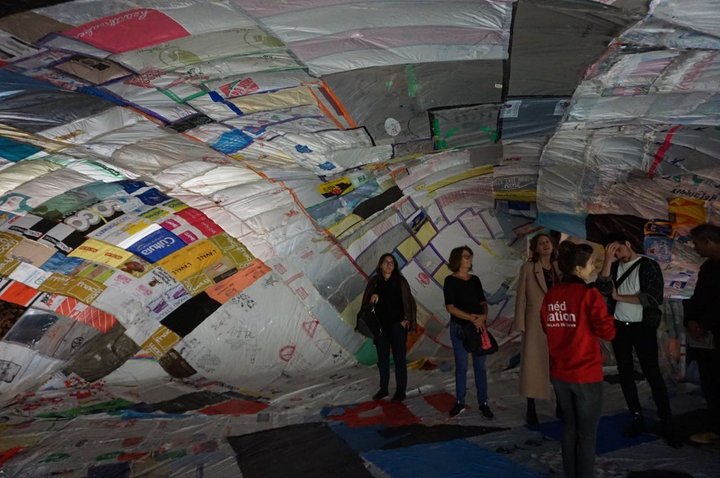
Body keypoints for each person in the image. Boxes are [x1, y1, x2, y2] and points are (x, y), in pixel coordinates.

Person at [596, 232, 679, 447]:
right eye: (612, 252)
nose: (617, 254)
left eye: (619, 249)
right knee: (625, 373)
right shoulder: (613, 267)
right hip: (620, 326)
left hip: (643, 327)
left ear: (628, 244)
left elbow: (653, 298)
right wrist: (607, 261)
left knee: (652, 373)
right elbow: (602, 289)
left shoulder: (648, 266)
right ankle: (636, 416)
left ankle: (667, 421)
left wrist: (619, 297)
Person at [541, 241, 615, 478]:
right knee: (587, 434)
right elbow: (608, 332)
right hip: (585, 374)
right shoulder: (588, 294)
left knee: (570, 428)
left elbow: (546, 326)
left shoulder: (551, 295)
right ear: (579, 268)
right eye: (592, 264)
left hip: (560, 373)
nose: (593, 268)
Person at [444, 246, 494, 419]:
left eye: (470, 256)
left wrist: (483, 316)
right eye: (466, 256)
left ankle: (483, 402)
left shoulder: (475, 280)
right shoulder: (450, 281)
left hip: (478, 327)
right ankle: (460, 401)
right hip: (460, 328)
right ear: (457, 259)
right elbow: (450, 307)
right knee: (462, 366)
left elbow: (482, 302)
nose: (469, 258)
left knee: (480, 366)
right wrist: (471, 318)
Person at [515, 233, 559, 425]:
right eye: (541, 243)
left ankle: (562, 403)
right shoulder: (528, 268)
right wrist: (521, 323)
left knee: (558, 363)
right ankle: (530, 406)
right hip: (535, 322)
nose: (545, 245)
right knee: (533, 365)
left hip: (557, 320)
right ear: (535, 248)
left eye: (547, 242)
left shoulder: (559, 268)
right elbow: (521, 297)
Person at [362, 253, 417, 402]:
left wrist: (407, 319)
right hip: (381, 328)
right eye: (385, 261)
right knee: (383, 359)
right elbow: (366, 304)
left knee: (399, 359)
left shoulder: (400, 281)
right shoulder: (374, 282)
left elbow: (409, 301)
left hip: (397, 326)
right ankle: (384, 389)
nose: (388, 264)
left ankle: (400, 391)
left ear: (395, 266)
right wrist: (371, 299)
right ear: (380, 265)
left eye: (391, 262)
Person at [684, 223, 720, 444]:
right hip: (706, 338)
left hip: (715, 331)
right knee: (712, 383)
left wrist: (705, 323)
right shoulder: (708, 267)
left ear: (708, 242)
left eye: (696, 243)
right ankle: (716, 428)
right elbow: (697, 298)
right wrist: (691, 321)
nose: (694, 247)